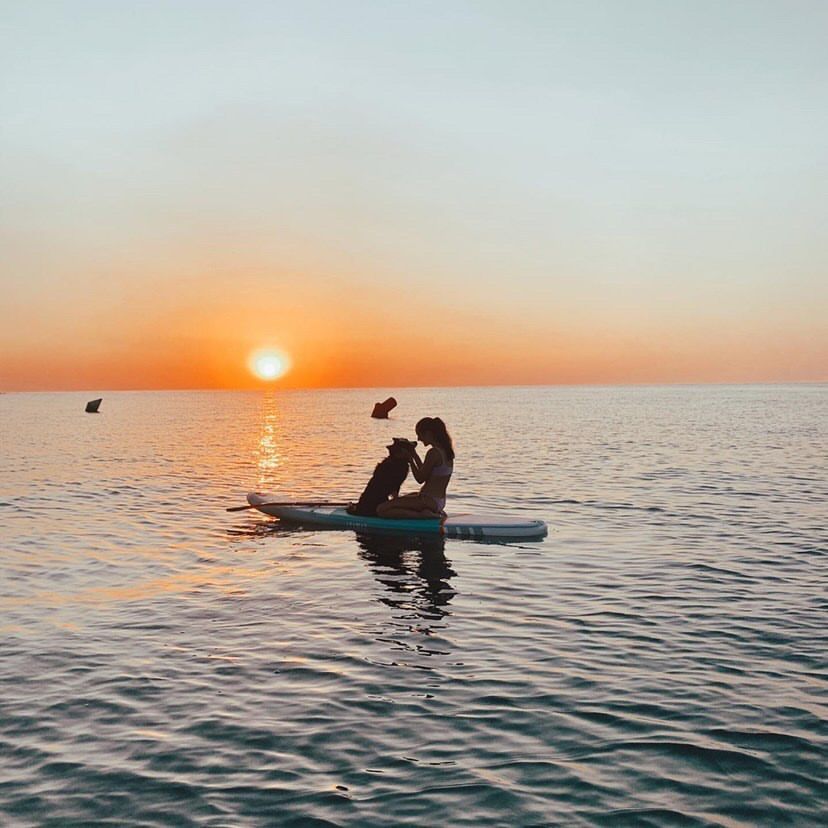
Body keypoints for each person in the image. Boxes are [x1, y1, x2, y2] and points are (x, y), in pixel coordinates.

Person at [377, 417, 454, 519]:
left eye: (419, 434)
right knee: (398, 500)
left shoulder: (433, 453)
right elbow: (426, 473)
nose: (418, 439)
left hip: (427, 500)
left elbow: (420, 479)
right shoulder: (446, 452)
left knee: (381, 509)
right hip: (438, 501)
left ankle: (422, 515)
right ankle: (432, 512)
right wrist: (414, 455)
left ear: (428, 434)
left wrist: (410, 460)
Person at [347, 438, 414, 516]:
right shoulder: (399, 467)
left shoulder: (388, 464)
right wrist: (395, 503)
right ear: (401, 452)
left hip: (368, 504)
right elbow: (395, 489)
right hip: (374, 507)